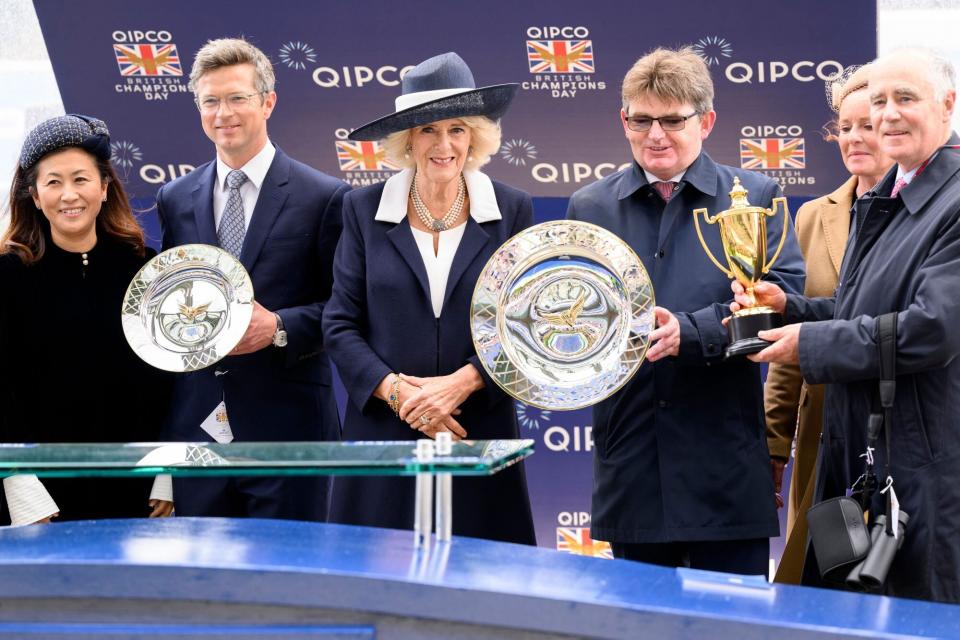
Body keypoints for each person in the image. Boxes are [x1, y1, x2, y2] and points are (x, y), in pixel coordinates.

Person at [565, 47, 804, 574]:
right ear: (622, 120)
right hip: (630, 464)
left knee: (730, 626)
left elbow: (780, 299)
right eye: (641, 119)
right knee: (636, 624)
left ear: (707, 120)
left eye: (673, 120)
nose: (656, 134)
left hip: (724, 463)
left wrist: (690, 334)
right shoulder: (590, 206)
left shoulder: (757, 195)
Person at [738, 48, 960, 603]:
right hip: (858, 457)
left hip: (923, 469)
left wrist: (808, 343)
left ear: (948, 105)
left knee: (917, 615)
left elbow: (933, 328)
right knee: (844, 613)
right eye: (878, 101)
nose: (887, 116)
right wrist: (791, 308)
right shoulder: (884, 196)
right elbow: (857, 309)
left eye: (904, 99)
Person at [323, 52, 536, 544]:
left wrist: (463, 383)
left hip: (476, 431)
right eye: (428, 130)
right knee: (378, 586)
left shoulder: (511, 209)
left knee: (481, 593)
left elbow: (525, 326)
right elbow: (339, 324)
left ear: (475, 137)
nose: (444, 145)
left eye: (457, 129)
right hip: (384, 431)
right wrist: (402, 395)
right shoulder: (361, 208)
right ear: (406, 141)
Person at [156, 38, 349, 520]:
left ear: (268, 101)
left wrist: (279, 327)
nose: (224, 113)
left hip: (291, 434)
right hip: (198, 435)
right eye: (210, 100)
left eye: (237, 97)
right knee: (206, 587)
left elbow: (345, 309)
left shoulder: (325, 196)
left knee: (290, 584)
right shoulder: (175, 198)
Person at [0, 114, 172, 525]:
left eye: (80, 179)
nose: (68, 194)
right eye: (53, 182)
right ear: (35, 197)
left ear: (104, 187)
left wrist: (168, 472)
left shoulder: (146, 269)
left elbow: (173, 379)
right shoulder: (8, 276)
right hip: (41, 498)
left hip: (140, 491)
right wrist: (21, 486)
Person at [764, 64, 893, 583]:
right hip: (824, 436)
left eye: (868, 125)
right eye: (844, 127)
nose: (855, 138)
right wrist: (774, 443)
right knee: (821, 580)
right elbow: (788, 340)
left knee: (896, 580)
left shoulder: (934, 214)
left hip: (902, 431)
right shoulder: (814, 215)